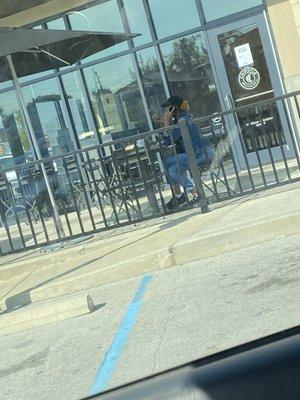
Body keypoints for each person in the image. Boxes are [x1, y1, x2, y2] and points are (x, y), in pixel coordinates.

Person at [159, 95, 214, 211]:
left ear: (173, 109)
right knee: (173, 169)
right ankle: (196, 194)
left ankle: (180, 197)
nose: (166, 112)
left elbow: (168, 140)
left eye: (167, 109)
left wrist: (166, 123)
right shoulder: (184, 117)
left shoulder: (181, 121)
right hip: (203, 152)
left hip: (199, 155)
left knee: (167, 161)